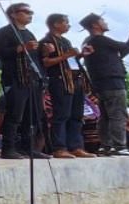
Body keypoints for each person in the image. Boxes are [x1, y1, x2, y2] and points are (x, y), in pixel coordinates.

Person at [80, 12, 129, 155]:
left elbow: (125, 49)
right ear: (95, 24)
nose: (105, 23)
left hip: (100, 84)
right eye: (102, 20)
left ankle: (106, 145)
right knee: (118, 114)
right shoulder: (100, 40)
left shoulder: (90, 41)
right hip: (112, 82)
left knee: (106, 116)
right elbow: (126, 46)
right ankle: (119, 146)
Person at [0, 3, 48, 159]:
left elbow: (35, 59)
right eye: (26, 12)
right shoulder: (4, 33)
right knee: (14, 115)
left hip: (33, 80)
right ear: (13, 14)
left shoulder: (29, 33)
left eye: (31, 12)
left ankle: (28, 147)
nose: (30, 14)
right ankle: (8, 148)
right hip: (15, 79)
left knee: (33, 116)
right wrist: (21, 48)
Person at [38, 13, 92, 159]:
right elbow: (46, 62)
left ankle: (75, 146)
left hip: (75, 79)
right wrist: (66, 55)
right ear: (56, 24)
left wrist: (80, 55)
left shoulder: (66, 41)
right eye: (66, 22)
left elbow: (71, 62)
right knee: (61, 115)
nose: (68, 25)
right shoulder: (46, 41)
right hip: (60, 80)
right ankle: (59, 147)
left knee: (77, 116)